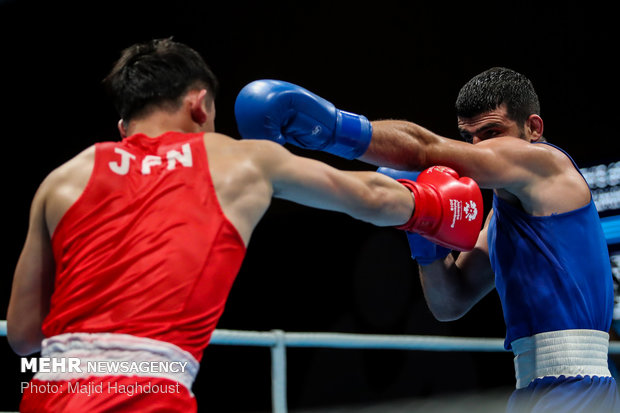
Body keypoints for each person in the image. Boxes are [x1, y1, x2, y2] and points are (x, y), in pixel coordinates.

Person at [6, 38, 483, 412]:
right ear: (200, 106)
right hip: (145, 396)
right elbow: (369, 197)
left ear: (124, 126)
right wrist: (435, 207)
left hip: (45, 394)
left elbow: (25, 335)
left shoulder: (63, 179)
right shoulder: (236, 161)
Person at [234, 68, 620, 412]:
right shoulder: (503, 215)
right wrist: (427, 240)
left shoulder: (548, 164)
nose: (479, 150)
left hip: (580, 386)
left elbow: (424, 149)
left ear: (533, 128)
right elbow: (450, 302)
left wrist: (331, 128)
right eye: (469, 138)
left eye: (491, 134)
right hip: (532, 387)